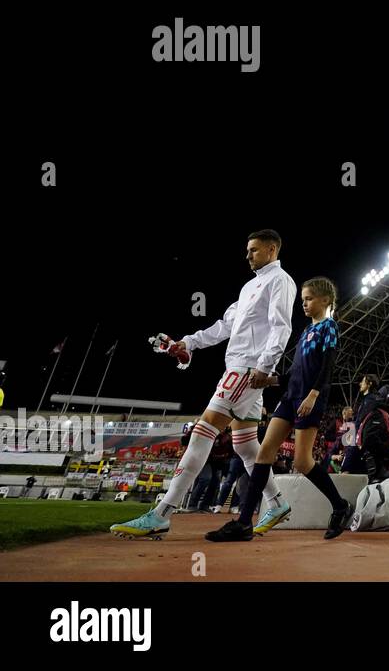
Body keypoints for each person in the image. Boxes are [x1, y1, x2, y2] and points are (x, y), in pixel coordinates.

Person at [112, 230, 294, 539]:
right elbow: (224, 326)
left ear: (271, 248)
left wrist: (264, 367)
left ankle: (162, 513)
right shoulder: (250, 287)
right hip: (243, 368)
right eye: (247, 250)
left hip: (246, 368)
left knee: (203, 431)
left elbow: (281, 326)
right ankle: (276, 502)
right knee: (246, 446)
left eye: (253, 249)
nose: (247, 255)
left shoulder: (281, 281)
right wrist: (187, 343)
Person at [207, 277, 352, 540]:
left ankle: (340, 506)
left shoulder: (329, 327)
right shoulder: (306, 331)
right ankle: (243, 523)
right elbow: (297, 372)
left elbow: (327, 367)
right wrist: (271, 380)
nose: (304, 304)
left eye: (308, 299)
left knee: (302, 461)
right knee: (263, 453)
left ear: (325, 300)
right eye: (302, 300)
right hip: (290, 397)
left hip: (310, 399)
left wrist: (313, 395)